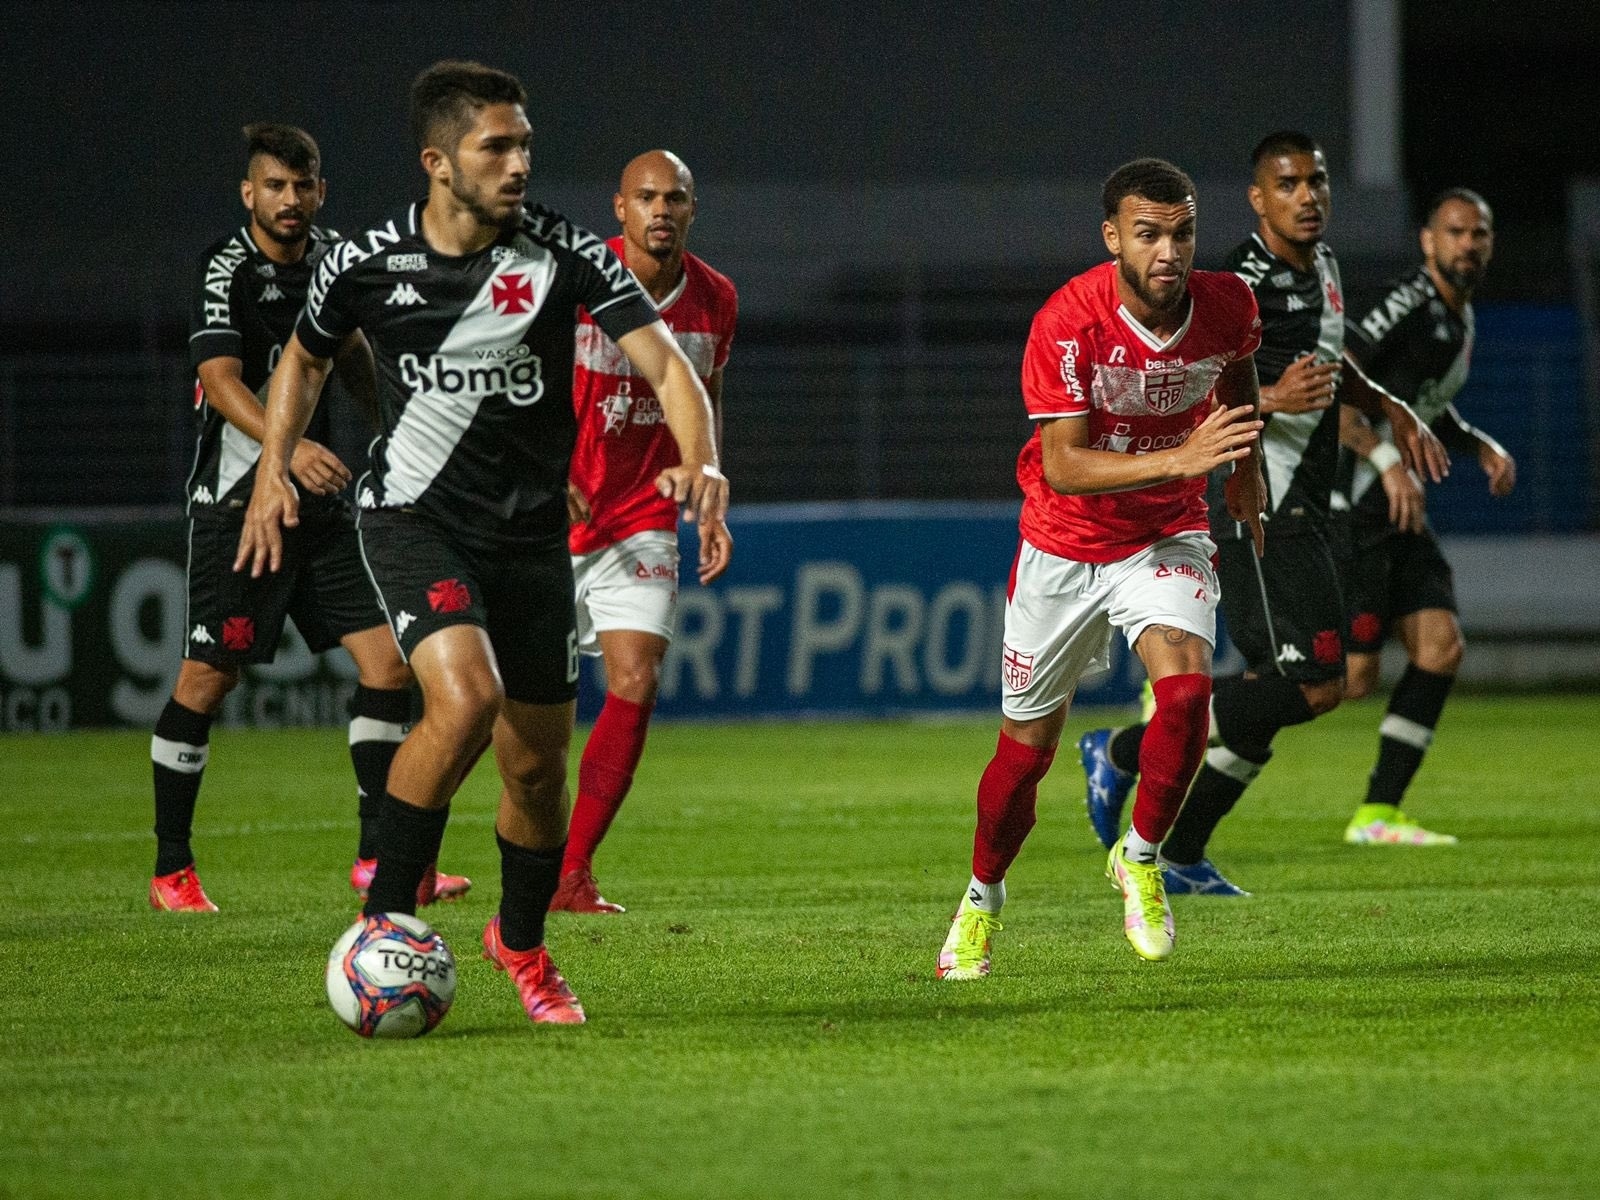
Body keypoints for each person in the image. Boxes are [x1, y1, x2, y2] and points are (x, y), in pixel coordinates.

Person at [237, 62, 728, 1025]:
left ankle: (521, 942)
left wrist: (703, 461)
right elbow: (303, 356)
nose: (517, 164)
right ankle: (383, 928)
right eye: (495, 147)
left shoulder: (563, 253)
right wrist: (273, 469)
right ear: (438, 162)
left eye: (525, 146)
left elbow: (669, 369)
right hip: (415, 518)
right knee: (465, 700)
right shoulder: (366, 261)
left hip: (533, 535)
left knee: (536, 768)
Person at [1076, 133, 1449, 894]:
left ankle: (1179, 856)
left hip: (1314, 504)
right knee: (1316, 683)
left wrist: (1393, 409)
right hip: (1261, 507)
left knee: (1278, 692)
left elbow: (1332, 365)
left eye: (1316, 181)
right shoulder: (1237, 282)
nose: (1307, 196)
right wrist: (1270, 399)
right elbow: (1185, 379)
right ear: (1258, 198)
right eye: (1288, 184)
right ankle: (1122, 752)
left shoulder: (1327, 268)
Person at [935, 157, 1268, 979]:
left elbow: (1237, 367)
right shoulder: (1067, 323)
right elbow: (1064, 466)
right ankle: (981, 900)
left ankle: (1142, 855)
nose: (1168, 252)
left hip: (1167, 533)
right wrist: (1184, 455)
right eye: (1148, 234)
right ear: (1113, 237)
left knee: (1188, 691)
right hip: (1066, 544)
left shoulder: (1230, 304)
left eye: (1182, 233)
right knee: (1023, 757)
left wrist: (1247, 470)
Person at [150, 123, 468, 913]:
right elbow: (220, 379)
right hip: (237, 504)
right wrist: (286, 452)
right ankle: (171, 870)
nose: (290, 200)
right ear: (249, 194)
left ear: (320, 192)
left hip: (322, 507)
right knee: (207, 676)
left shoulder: (337, 262)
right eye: (275, 186)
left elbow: (355, 357)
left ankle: (376, 859)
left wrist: (401, 439)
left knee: (390, 666)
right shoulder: (224, 267)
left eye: (304, 186)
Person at [553, 150, 737, 914]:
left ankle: (571, 874)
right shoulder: (575, 280)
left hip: (643, 515)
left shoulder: (716, 299)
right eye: (647, 197)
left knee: (635, 680)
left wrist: (711, 493)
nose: (662, 210)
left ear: (692, 210)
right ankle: (414, 853)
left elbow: (707, 394)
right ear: (619, 208)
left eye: (677, 199)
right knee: (505, 708)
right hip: (547, 515)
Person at [1335, 188, 1512, 845]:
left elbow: (1424, 406)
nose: (1468, 243)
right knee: (1348, 679)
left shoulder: (1457, 316)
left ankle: (1377, 814)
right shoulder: (1407, 304)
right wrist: (1383, 458)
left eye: (1480, 234)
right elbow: (1337, 378)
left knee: (1440, 648)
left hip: (1398, 502)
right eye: (1456, 231)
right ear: (1428, 241)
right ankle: (1173, 719)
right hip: (1357, 498)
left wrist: (1478, 443)